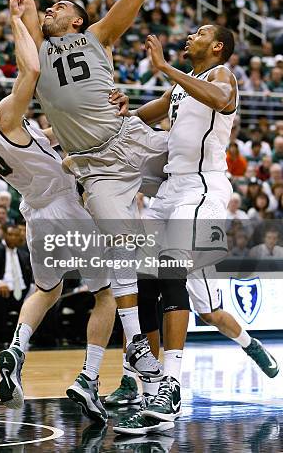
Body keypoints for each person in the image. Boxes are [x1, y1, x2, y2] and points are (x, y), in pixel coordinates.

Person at [0, 0, 116, 424]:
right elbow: (33, 67)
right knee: (108, 291)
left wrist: (69, 134)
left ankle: (17, 348)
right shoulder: (3, 114)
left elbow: (42, 144)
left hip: (34, 213)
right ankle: (90, 376)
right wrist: (16, 20)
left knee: (47, 288)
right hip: (63, 207)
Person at [12, 0, 168, 380]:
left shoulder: (99, 34)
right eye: (51, 5)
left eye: (61, 5)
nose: (52, 8)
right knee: (123, 247)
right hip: (93, 167)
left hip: (129, 138)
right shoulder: (36, 43)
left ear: (79, 19)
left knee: (193, 163)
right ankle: (137, 344)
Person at [112, 25, 279, 434]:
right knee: (145, 276)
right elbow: (143, 114)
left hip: (204, 188)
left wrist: (166, 66)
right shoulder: (180, 90)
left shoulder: (221, 76)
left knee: (183, 284)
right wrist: (120, 112)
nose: (190, 36)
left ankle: (174, 385)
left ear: (217, 46)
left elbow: (223, 102)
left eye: (200, 33)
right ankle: (146, 381)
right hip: (170, 189)